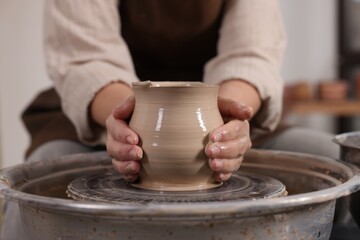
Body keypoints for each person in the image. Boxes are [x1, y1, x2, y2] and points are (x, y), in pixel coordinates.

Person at [2, 0, 341, 239]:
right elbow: (87, 56)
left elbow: (251, 51)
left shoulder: (225, 109)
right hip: (105, 107)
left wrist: (230, 120)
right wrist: (128, 116)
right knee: (38, 191)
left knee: (332, 162)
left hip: (218, 106)